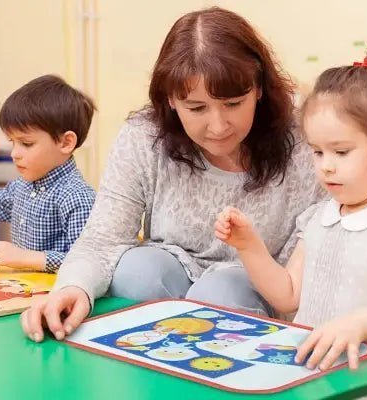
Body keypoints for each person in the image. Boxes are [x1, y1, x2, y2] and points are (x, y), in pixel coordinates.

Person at [21, 6, 324, 343]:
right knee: (138, 270)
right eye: (196, 108)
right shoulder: (144, 136)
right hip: (168, 278)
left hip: (264, 288)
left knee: (223, 294)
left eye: (234, 103)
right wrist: (72, 287)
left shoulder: (304, 135)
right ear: (171, 100)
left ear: (259, 89)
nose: (219, 126)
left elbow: (318, 242)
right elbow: (103, 240)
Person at [215, 43, 367, 396]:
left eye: (341, 152)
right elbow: (288, 295)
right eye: (317, 151)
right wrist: (249, 246)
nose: (326, 165)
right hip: (310, 382)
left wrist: (359, 325)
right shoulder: (321, 215)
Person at [0, 75, 96, 272]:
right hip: (23, 285)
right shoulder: (22, 185)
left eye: (26, 144)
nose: (15, 153)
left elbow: (86, 261)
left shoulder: (77, 197)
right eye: (12, 142)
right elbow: (0, 203)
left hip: (57, 293)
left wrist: (25, 258)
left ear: (66, 142)